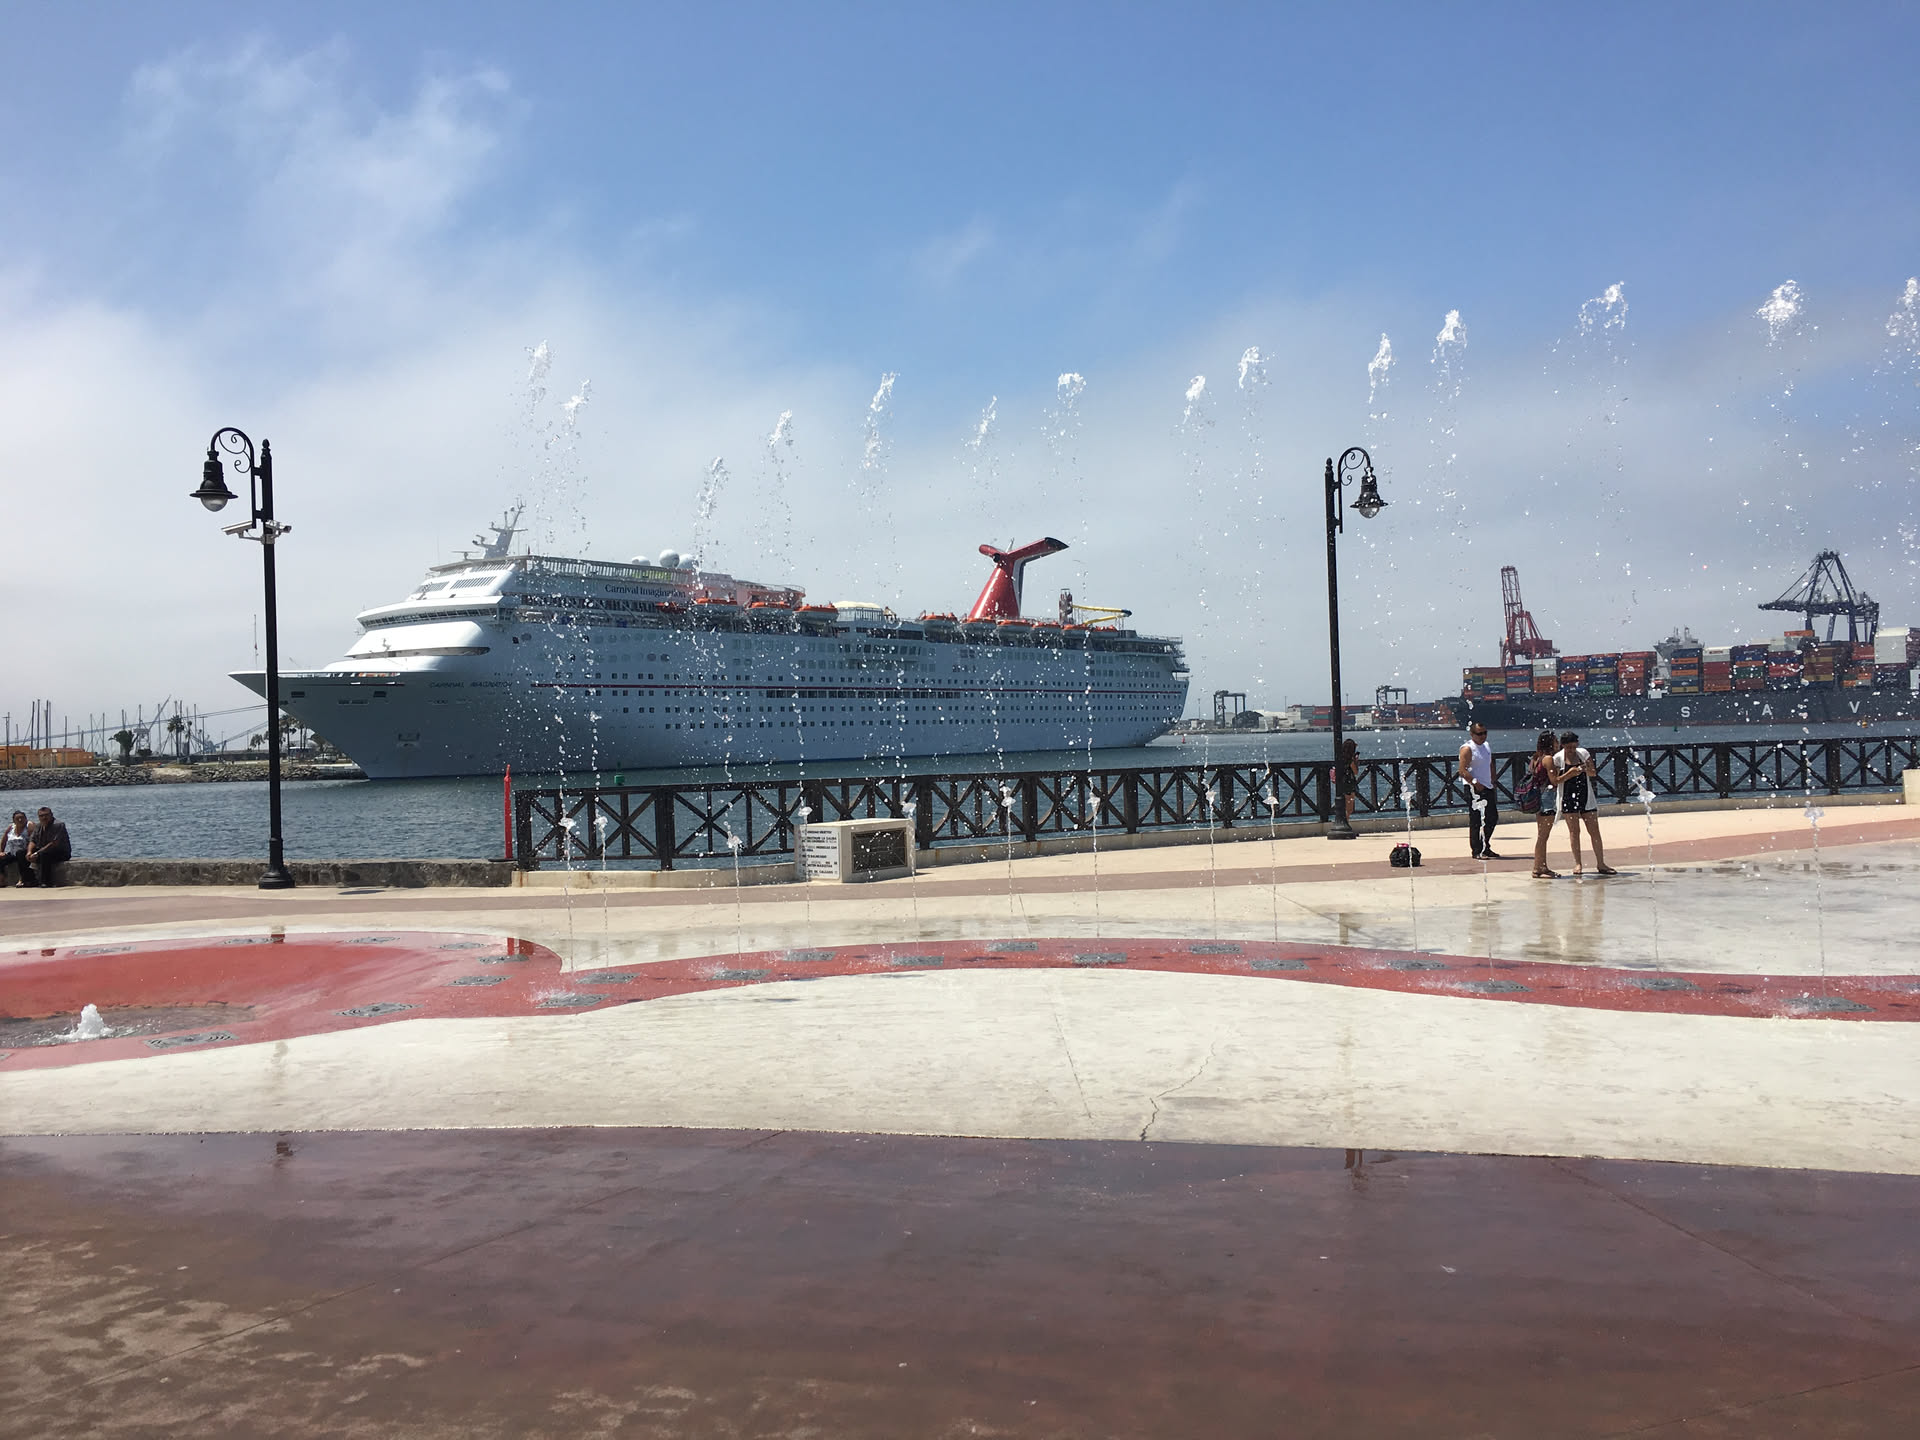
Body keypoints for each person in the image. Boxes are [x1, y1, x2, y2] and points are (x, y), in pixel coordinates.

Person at [1550, 733, 1616, 877]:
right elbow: (1555, 780)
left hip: (1585, 795)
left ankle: (1601, 863)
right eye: (1568, 747)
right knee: (1574, 831)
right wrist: (1570, 773)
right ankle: (1578, 863)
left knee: (1594, 830)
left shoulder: (1583, 753)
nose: (1572, 750)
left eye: (1574, 747)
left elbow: (1593, 773)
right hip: (1567, 796)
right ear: (1562, 745)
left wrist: (1585, 768)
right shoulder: (1558, 758)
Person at [1459, 721, 1501, 859]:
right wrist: (1475, 783)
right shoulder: (1467, 749)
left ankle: (1485, 845)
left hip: (1487, 786)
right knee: (1476, 819)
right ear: (1472, 734)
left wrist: (1493, 780)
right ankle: (1476, 850)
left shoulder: (1486, 745)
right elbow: (1462, 770)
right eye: (1479, 734)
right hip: (1473, 789)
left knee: (1492, 817)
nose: (1483, 736)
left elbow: (1489, 763)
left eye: (1485, 733)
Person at [1526, 732, 1560, 879]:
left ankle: (1542, 866)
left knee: (1542, 835)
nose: (1558, 743)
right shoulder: (1548, 759)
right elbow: (1555, 781)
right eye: (1556, 741)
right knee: (1543, 836)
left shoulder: (1535, 758)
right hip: (1547, 799)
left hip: (1537, 798)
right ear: (1550, 743)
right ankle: (1537, 867)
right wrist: (1571, 773)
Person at [24, 805, 71, 887]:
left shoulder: (58, 825)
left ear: (51, 815)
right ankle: (29, 880)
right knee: (21, 853)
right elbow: (33, 840)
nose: (44, 817)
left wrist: (37, 853)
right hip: (42, 851)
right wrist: (29, 852)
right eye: (41, 816)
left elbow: (53, 843)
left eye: (46, 815)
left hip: (60, 852)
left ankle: (45, 882)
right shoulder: (38, 826)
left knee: (44, 854)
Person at [1, 810, 32, 887]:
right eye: (17, 818)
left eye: (22, 818)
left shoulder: (29, 826)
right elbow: (4, 840)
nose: (20, 820)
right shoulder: (11, 827)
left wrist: (30, 852)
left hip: (25, 853)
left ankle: (22, 879)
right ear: (14, 820)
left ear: (26, 818)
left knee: (20, 854)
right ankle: (1, 880)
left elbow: (33, 841)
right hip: (13, 853)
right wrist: (1, 851)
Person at [1337, 737, 1359, 821]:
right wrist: (1356, 762)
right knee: (1349, 808)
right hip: (1349, 784)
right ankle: (1345, 822)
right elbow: (1355, 772)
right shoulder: (1351, 760)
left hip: (1341, 782)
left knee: (1344, 806)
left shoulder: (1340, 758)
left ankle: (1344, 822)